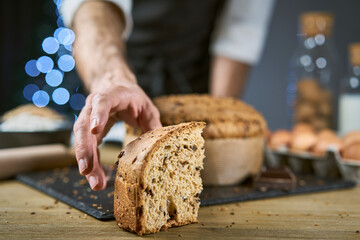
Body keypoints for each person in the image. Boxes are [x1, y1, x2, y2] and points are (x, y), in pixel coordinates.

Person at [60, 0, 274, 190]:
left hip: (195, 74)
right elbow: (94, 7)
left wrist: (219, 117)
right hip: (123, 76)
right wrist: (113, 79)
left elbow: (240, 30)